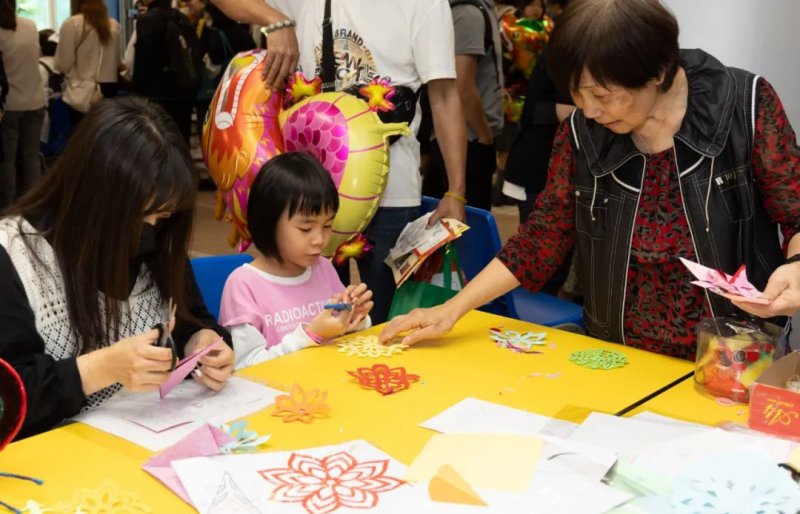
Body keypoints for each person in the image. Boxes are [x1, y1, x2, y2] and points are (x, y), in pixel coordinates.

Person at [381, 0, 800, 360]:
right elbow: (543, 237)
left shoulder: (743, 106)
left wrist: (797, 267)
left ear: (656, 72)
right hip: (618, 351)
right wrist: (453, 309)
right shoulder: (584, 133)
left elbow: (796, 213)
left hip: (730, 354)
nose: (590, 110)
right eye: (579, 96)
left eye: (602, 95)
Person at [211, 0, 467, 324]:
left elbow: (445, 96)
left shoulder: (425, 5)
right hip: (313, 194)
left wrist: (456, 191)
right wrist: (275, 20)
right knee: (317, 315)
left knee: (390, 319)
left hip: (391, 193)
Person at [0, 97, 235, 439]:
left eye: (164, 216)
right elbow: (8, 402)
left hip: (147, 440)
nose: (152, 230)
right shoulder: (15, 257)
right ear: (94, 199)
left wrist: (201, 342)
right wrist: (97, 370)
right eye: (140, 216)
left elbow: (188, 319)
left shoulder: (159, 237)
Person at [219, 153, 373, 370]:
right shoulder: (243, 285)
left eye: (327, 226)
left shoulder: (324, 269)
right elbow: (246, 368)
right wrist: (311, 335)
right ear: (269, 222)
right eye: (306, 229)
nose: (320, 240)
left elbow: (342, 341)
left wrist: (354, 321)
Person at [423, 0, 504, 211]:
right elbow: (462, 87)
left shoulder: (473, 10)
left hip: (464, 136)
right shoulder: (469, 13)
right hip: (468, 139)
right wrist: (484, 135)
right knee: (466, 224)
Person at [0, 0, 46, 211]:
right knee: (31, 158)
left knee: (7, 161)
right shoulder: (30, 25)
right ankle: (34, 207)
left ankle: (8, 208)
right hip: (35, 100)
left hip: (9, 105)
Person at [132, 0, 199, 145]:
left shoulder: (147, 20)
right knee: (181, 137)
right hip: (182, 89)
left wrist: (136, 91)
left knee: (157, 139)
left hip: (157, 91)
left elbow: (144, 59)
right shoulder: (182, 18)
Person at [54, 0, 121, 126]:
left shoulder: (73, 23)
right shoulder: (114, 25)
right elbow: (116, 61)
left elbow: (62, 63)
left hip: (82, 91)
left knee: (82, 134)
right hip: (109, 90)